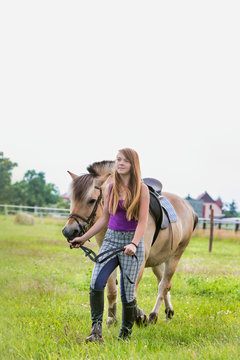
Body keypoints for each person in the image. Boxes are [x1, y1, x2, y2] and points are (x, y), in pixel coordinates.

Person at [70, 148, 149, 342]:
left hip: (131, 243)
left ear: (133, 164)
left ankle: (125, 335)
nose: (120, 163)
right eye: (118, 160)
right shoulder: (110, 187)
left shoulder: (142, 189)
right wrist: (83, 237)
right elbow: (105, 218)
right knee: (96, 283)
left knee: (127, 293)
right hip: (111, 240)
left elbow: (143, 222)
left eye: (125, 161)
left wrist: (133, 244)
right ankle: (96, 331)